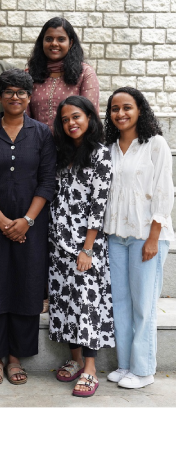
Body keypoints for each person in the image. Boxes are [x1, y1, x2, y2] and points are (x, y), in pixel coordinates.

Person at [0, 69, 56, 385]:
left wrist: (27, 221)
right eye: (9, 91)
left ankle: (16, 357)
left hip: (31, 227)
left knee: (26, 283)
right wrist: (2, 220)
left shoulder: (42, 133)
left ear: (29, 96)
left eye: (21, 92)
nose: (15, 97)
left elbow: (47, 181)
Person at [103, 87, 174, 389]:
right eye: (115, 108)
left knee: (143, 305)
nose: (120, 113)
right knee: (120, 303)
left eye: (127, 107)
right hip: (116, 235)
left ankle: (144, 371)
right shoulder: (109, 147)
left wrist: (153, 238)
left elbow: (164, 191)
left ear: (140, 110)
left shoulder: (155, 144)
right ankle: (125, 365)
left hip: (147, 235)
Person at [49, 96, 114, 398]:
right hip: (58, 243)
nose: (71, 123)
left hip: (85, 244)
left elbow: (98, 204)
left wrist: (87, 248)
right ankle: (75, 360)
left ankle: (90, 368)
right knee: (65, 302)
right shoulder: (61, 153)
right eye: (65, 120)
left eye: (76, 116)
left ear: (89, 117)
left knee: (86, 304)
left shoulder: (100, 154)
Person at [27, 17, 100, 131]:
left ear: (70, 43)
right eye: (49, 39)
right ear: (42, 42)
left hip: (73, 141)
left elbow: (90, 117)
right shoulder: (29, 74)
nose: (54, 43)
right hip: (37, 140)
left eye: (61, 39)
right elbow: (23, 117)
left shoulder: (85, 73)